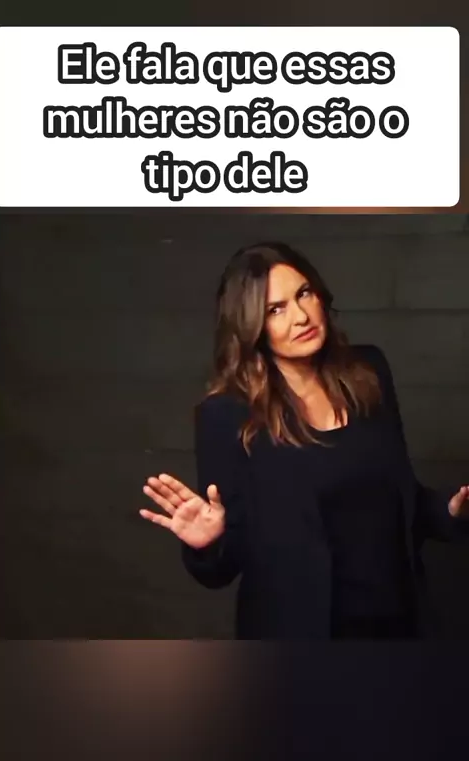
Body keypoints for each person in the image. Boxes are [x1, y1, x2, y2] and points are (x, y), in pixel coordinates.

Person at [140, 242, 469, 640]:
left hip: (399, 627)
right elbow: (227, 563)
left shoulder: (369, 372)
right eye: (275, 310)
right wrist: (208, 543)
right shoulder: (226, 414)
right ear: (251, 326)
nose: (300, 316)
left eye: (304, 293)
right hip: (300, 638)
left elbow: (396, 502)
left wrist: (452, 509)